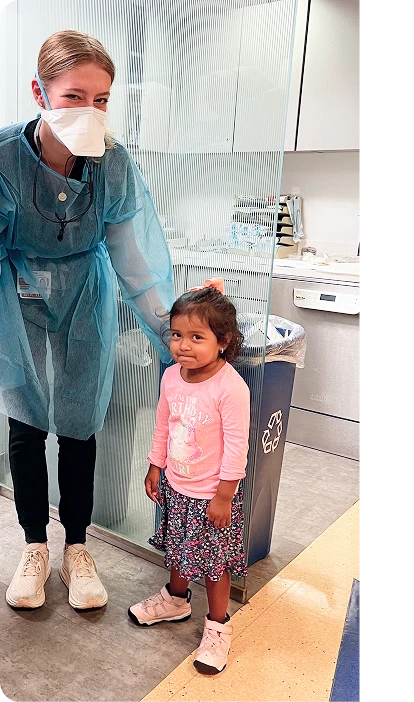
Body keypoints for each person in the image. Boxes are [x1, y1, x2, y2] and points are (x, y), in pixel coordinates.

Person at [0, 30, 174, 610]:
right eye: (74, 96)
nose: (90, 111)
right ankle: (33, 546)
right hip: (15, 293)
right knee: (25, 417)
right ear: (40, 93)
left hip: (84, 293)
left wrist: (170, 333)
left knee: (79, 421)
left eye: (101, 100)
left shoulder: (112, 163)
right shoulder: (4, 158)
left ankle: (76, 546)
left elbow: (134, 260)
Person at [128, 285, 250, 676]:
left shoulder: (230, 387)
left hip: (213, 496)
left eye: (197, 337)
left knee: (214, 566)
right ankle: (176, 600)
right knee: (178, 550)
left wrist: (224, 496)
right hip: (177, 487)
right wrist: (155, 465)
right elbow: (163, 425)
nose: (183, 345)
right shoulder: (171, 377)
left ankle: (218, 627)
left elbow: (237, 447)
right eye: (177, 335)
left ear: (223, 341)